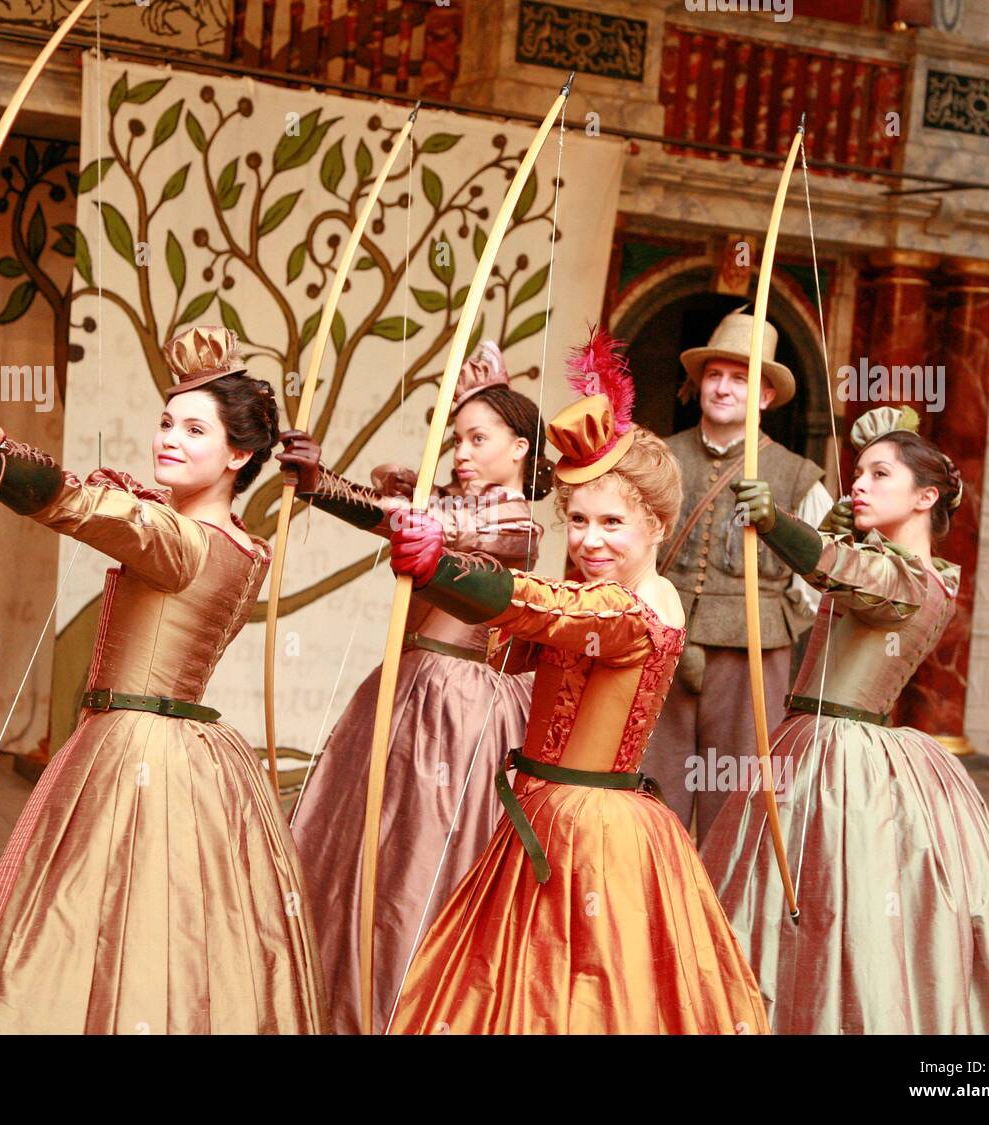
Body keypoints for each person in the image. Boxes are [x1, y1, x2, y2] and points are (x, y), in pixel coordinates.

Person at [0, 325, 328, 1033]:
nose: (170, 439)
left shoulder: (182, 539)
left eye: (195, 429)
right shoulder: (244, 547)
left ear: (239, 453)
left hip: (134, 751)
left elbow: (71, 499)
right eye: (166, 421)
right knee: (161, 930)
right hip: (181, 750)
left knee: (91, 921)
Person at [385, 331, 768, 1034]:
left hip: (585, 832)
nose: (591, 540)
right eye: (581, 521)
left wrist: (445, 566)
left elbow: (540, 603)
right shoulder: (608, 591)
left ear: (656, 523)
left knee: (569, 993)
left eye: (613, 523)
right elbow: (535, 619)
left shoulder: (631, 606)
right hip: (545, 815)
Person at [701, 405, 989, 1034]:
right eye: (858, 473)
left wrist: (782, 524)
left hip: (840, 760)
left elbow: (851, 575)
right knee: (780, 898)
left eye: (879, 474)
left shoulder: (916, 581)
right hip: (804, 744)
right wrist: (832, 534)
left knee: (831, 903)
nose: (860, 483)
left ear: (925, 497)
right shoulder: (884, 562)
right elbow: (843, 570)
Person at [278, 341, 551, 1034]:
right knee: (359, 850)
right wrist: (325, 484)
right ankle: (334, 1000)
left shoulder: (514, 522)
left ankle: (400, 1008)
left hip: (455, 711)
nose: (461, 451)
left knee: (413, 862)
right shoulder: (458, 506)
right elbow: (410, 514)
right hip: (405, 690)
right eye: (455, 436)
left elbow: (418, 524)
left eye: (477, 438)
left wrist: (325, 485)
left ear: (520, 447)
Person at [642, 308, 832, 842]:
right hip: (664, 645)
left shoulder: (798, 476)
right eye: (715, 375)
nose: (723, 388)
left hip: (753, 652)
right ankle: (653, 907)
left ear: (766, 396)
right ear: (700, 383)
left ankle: (720, 914)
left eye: (741, 378)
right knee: (652, 786)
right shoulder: (660, 458)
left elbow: (820, 580)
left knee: (738, 795)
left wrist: (777, 626)